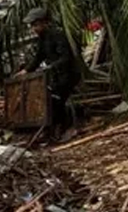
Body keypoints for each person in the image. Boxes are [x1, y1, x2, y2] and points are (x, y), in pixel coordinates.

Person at [17, 8, 81, 141]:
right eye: (32, 26)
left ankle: (63, 128)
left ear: (44, 23)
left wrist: (50, 67)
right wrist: (27, 70)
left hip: (68, 74)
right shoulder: (42, 38)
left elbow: (66, 58)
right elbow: (38, 57)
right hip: (56, 75)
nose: (33, 28)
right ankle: (50, 129)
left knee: (56, 100)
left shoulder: (58, 35)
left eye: (35, 25)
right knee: (49, 99)